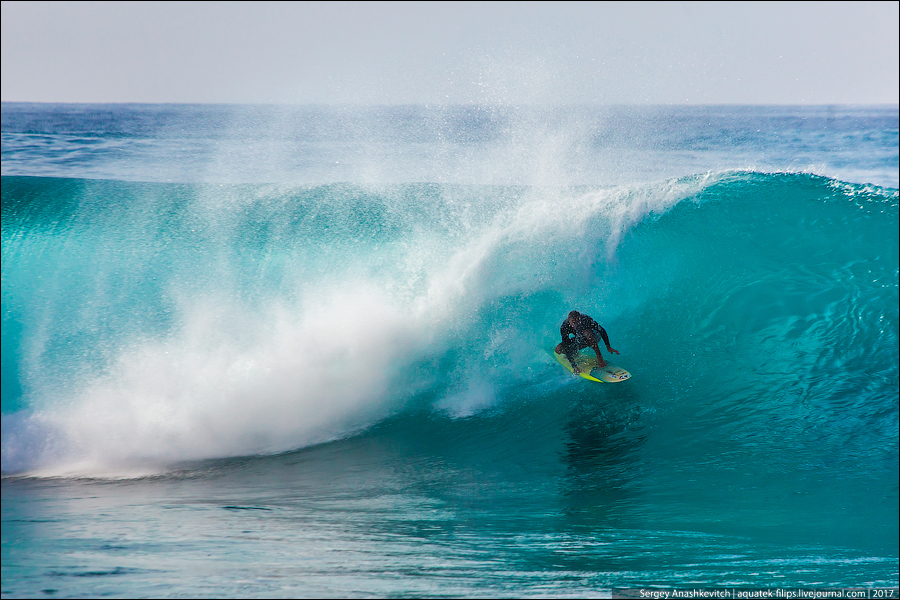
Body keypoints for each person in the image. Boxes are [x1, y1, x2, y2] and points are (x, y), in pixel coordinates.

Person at [555, 310, 619, 374]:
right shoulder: (564, 326)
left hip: (595, 336)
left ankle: (600, 358)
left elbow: (601, 330)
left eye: (577, 322)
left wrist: (608, 346)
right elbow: (566, 344)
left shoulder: (585, 319)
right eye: (573, 323)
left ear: (579, 319)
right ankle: (575, 352)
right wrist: (574, 366)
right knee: (558, 349)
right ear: (569, 320)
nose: (576, 325)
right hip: (580, 339)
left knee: (587, 333)